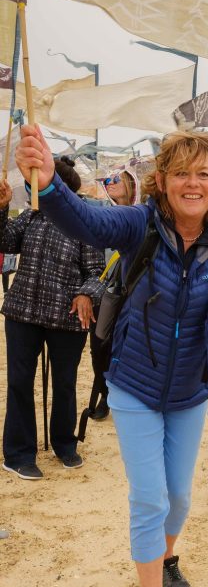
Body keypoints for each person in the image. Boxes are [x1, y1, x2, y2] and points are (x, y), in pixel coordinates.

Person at [16, 125, 208, 587]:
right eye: (182, 173)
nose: (193, 183)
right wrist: (51, 185)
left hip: (190, 392)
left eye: (204, 174)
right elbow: (88, 221)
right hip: (134, 386)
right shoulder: (140, 224)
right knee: (150, 498)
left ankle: (168, 558)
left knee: (180, 497)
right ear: (162, 180)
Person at [0, 161, 105, 481]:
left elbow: (98, 272)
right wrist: (2, 208)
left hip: (67, 318)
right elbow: (4, 242)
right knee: (19, 382)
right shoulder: (31, 216)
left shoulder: (84, 223)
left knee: (65, 383)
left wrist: (87, 293)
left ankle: (64, 443)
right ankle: (18, 453)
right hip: (23, 314)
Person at [87, 164, 141, 421]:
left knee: (129, 347)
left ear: (131, 181)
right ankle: (103, 393)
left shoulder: (144, 216)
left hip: (137, 294)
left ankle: (120, 395)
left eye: (115, 178)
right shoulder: (102, 215)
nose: (109, 182)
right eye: (106, 179)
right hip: (105, 293)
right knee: (99, 345)